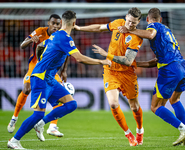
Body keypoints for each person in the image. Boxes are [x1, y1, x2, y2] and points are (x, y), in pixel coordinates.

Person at [7, 10, 111, 149]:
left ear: (62, 22)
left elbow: (39, 46)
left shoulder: (55, 35)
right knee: (38, 113)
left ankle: (41, 124)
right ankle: (14, 140)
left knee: (71, 104)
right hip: (41, 77)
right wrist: (101, 62)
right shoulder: (64, 38)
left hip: (49, 78)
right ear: (74, 23)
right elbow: (80, 58)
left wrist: (42, 60)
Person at [117, 8, 185, 146]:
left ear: (147, 19)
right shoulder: (167, 31)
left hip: (170, 69)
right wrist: (135, 64)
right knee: (174, 99)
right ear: (161, 19)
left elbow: (150, 34)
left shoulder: (153, 26)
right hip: (183, 67)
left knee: (155, 107)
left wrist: (129, 30)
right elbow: (155, 61)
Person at [75, 7, 144, 146]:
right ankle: (128, 134)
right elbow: (99, 28)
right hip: (110, 71)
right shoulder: (118, 23)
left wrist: (107, 54)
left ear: (138, 22)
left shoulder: (137, 37)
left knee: (134, 107)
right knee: (113, 103)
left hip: (127, 73)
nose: (130, 25)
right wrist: (79, 28)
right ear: (126, 17)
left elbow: (128, 61)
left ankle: (140, 130)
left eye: (134, 23)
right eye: (129, 21)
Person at [7, 14, 66, 137]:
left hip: (50, 69)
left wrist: (63, 71)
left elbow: (67, 54)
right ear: (48, 23)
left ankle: (53, 126)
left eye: (57, 24)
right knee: (26, 89)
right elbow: (22, 45)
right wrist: (30, 40)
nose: (55, 26)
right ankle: (14, 117)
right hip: (35, 65)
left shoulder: (61, 35)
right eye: (53, 23)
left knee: (61, 95)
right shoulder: (40, 31)